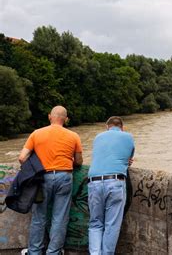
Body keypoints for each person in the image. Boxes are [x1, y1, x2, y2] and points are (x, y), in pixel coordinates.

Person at [18, 106, 83, 255]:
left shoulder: (36, 133)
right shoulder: (73, 136)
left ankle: (34, 251)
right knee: (60, 217)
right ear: (65, 119)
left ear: (49, 116)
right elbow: (79, 161)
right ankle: (54, 252)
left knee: (39, 216)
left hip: (42, 178)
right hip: (64, 177)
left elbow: (22, 158)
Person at [88, 116, 135, 255]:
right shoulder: (128, 137)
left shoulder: (98, 137)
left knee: (95, 224)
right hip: (115, 182)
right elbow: (128, 159)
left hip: (94, 182)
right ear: (122, 127)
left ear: (106, 127)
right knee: (111, 225)